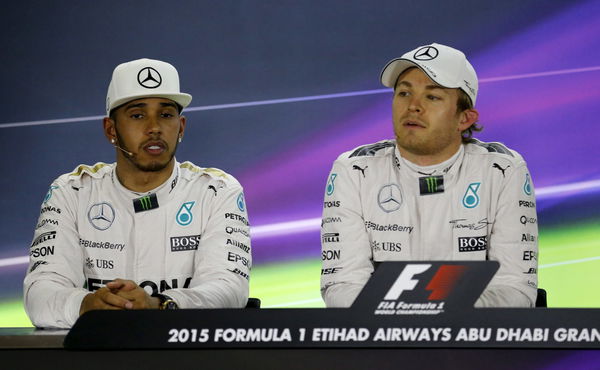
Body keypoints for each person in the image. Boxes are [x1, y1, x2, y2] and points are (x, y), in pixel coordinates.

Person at [24, 58, 251, 328]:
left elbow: (229, 289)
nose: (154, 128)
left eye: (166, 115)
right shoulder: (71, 192)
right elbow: (41, 291)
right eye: (137, 115)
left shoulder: (216, 191)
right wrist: (87, 306)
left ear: (181, 127)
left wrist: (158, 306)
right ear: (111, 129)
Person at [320, 43, 538, 308]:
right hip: (381, 342)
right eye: (403, 93)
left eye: (432, 97)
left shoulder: (502, 170)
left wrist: (436, 321)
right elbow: (342, 285)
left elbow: (515, 289)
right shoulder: (354, 170)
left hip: (473, 341)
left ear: (465, 119)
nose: (413, 106)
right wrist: (408, 325)